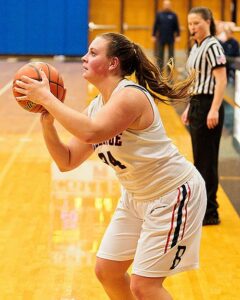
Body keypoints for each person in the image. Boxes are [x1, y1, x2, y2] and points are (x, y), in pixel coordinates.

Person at [14, 32, 207, 300]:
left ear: (113, 63)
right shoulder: (97, 106)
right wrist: (48, 123)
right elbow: (67, 160)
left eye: (93, 53)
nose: (84, 57)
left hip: (172, 194)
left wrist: (47, 98)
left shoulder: (130, 96)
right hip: (136, 197)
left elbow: (93, 133)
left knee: (144, 286)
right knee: (107, 271)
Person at [181, 7, 227, 226]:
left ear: (208, 22)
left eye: (196, 23)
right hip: (198, 104)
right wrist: (189, 107)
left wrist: (214, 109)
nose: (192, 28)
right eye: (190, 24)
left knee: (207, 161)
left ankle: (211, 211)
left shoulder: (213, 46)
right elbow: (195, 81)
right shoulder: (195, 47)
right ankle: (201, 207)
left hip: (210, 104)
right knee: (199, 160)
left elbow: (221, 80)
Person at [152, 0, 180, 68]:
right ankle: (159, 69)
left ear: (170, 5)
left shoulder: (174, 15)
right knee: (160, 54)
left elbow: (177, 26)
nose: (167, 6)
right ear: (163, 5)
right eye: (165, 4)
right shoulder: (159, 14)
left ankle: (170, 68)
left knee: (171, 55)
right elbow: (155, 25)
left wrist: (178, 35)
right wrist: (153, 35)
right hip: (161, 38)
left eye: (168, 4)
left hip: (171, 38)